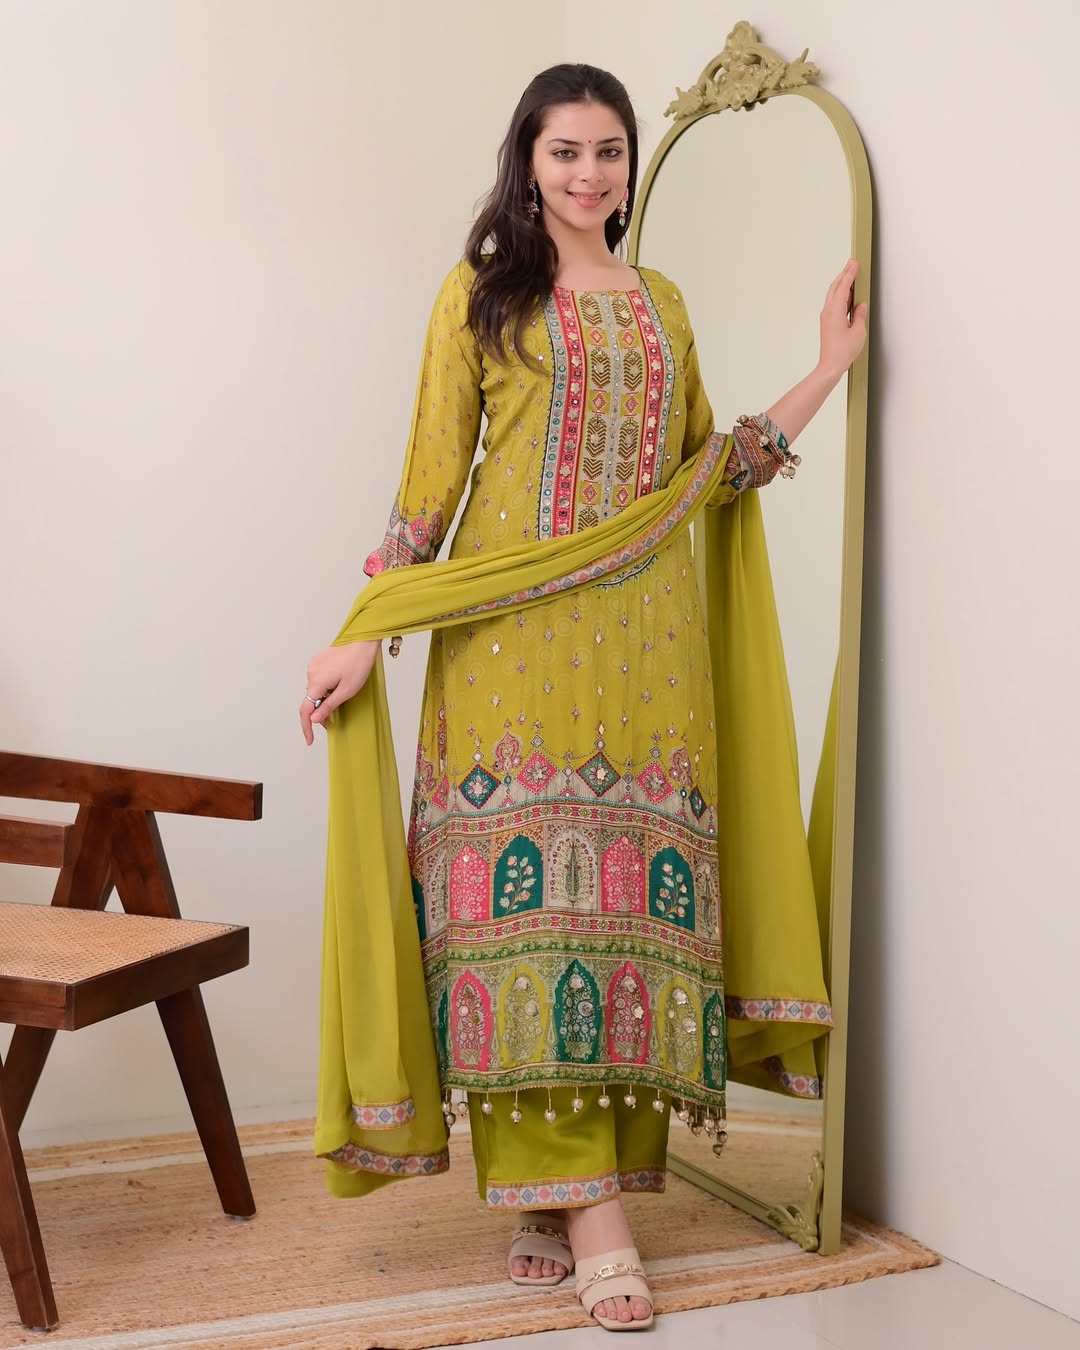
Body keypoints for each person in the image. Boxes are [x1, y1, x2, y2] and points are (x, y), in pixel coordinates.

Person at [300, 63, 867, 1333]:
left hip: (649, 660)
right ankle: (598, 1221)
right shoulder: (480, 295)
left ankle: (559, 1200)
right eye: (566, 151)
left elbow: (710, 472)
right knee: (523, 919)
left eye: (609, 151)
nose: (590, 173)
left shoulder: (663, 305)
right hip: (507, 653)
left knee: (618, 925)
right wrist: (362, 631)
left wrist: (828, 365)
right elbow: (426, 494)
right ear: (528, 159)